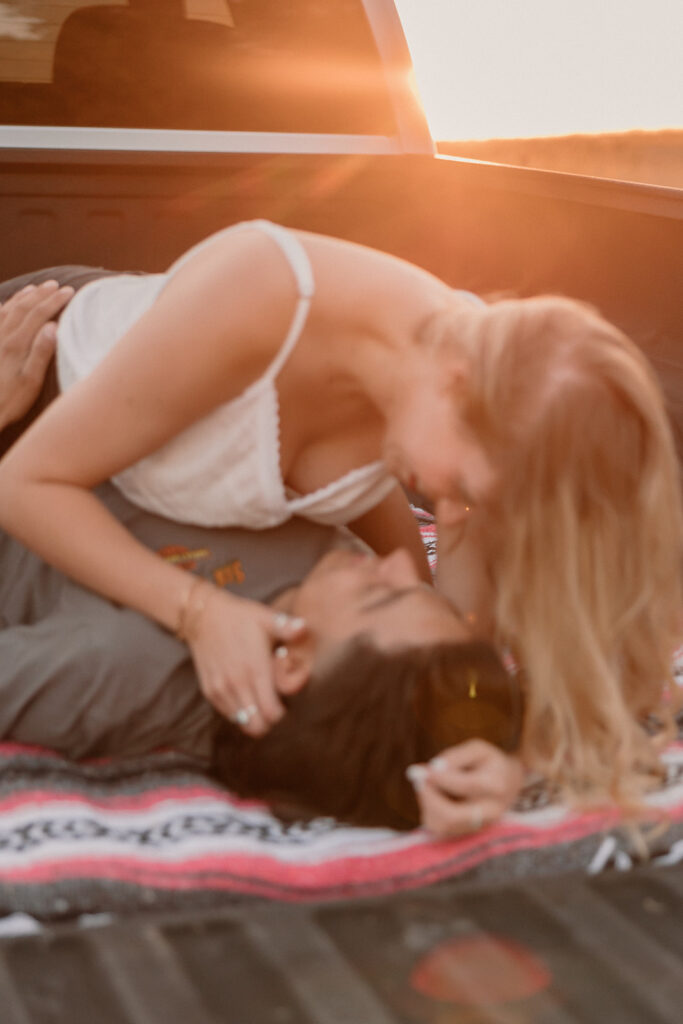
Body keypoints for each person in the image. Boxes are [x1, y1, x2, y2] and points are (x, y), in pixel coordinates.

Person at [0, 221, 680, 814]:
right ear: (456, 385)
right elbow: (26, 483)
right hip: (32, 379)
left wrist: (499, 754)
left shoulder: (456, 415)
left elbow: (457, 639)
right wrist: (200, 613)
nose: (452, 509)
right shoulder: (264, 290)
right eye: (466, 485)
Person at [0, 287, 523, 835]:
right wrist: (499, 753)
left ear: (294, 664)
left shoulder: (125, 672)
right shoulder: (369, 616)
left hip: (24, 359)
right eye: (417, 586)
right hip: (142, 329)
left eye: (380, 593)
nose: (395, 565)